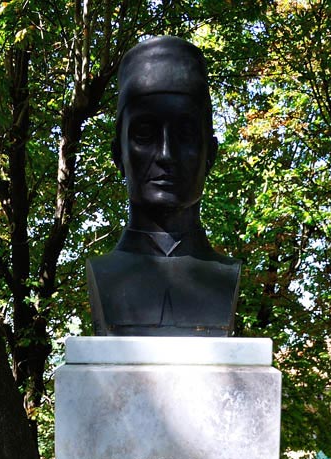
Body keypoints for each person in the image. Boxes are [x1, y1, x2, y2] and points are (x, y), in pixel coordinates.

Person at [87, 36, 241, 336]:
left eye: (185, 135)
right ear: (118, 154)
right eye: (145, 135)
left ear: (211, 154)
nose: (166, 155)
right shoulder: (104, 274)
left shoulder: (226, 276)